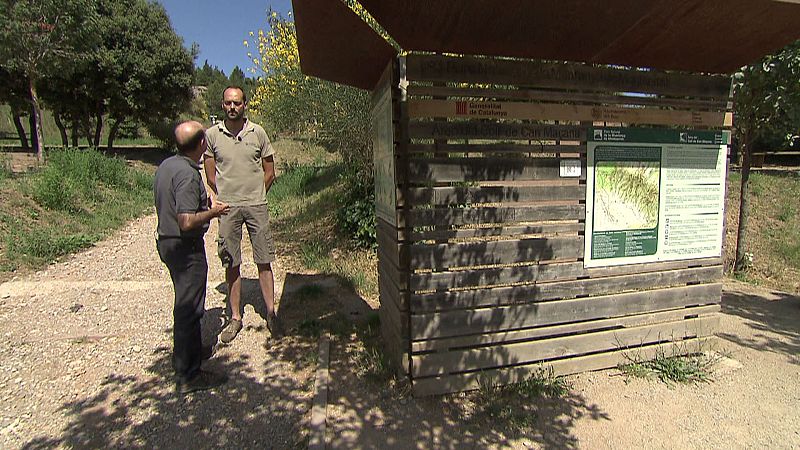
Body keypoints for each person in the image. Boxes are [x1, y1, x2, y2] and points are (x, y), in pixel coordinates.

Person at [154, 120, 230, 394]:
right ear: (202, 144)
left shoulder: (167, 166)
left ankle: (190, 353)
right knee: (189, 308)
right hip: (185, 248)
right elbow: (186, 221)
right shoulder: (187, 174)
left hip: (167, 243)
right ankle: (189, 375)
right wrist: (213, 212)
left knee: (185, 302)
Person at [204, 86, 283, 343]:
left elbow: (269, 170)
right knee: (231, 260)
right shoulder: (213, 135)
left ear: (245, 104)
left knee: (264, 258)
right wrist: (224, 196)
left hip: (256, 205)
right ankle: (235, 317)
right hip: (227, 208)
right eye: (228, 103)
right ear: (222, 105)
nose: (232, 107)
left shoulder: (257, 132)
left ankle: (271, 313)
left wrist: (257, 193)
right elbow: (210, 173)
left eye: (237, 103)